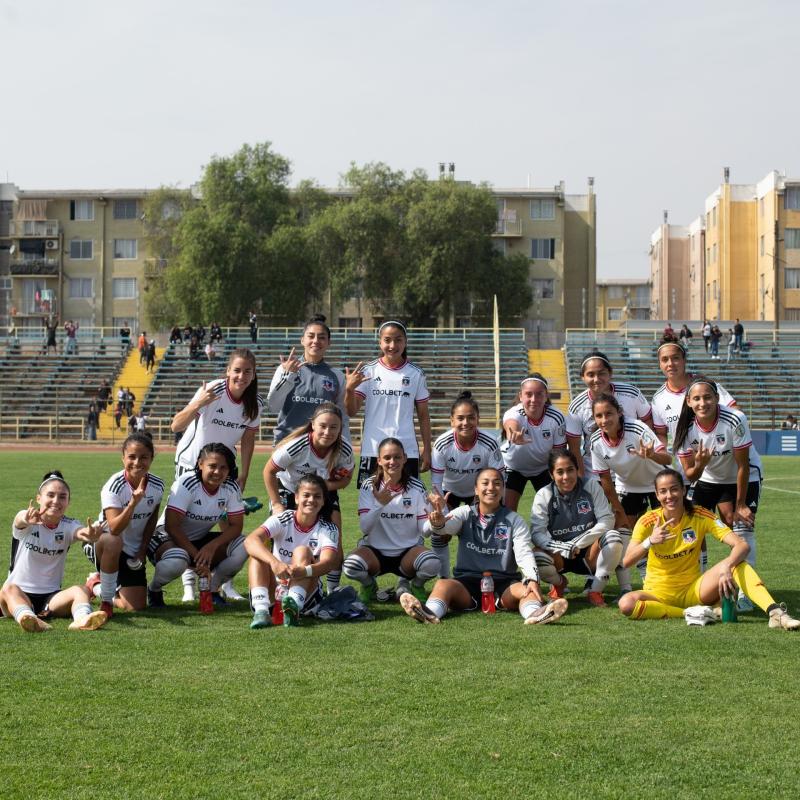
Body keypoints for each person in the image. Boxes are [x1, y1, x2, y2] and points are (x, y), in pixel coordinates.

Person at [618, 468, 799, 630]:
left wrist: (727, 566)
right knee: (626, 604)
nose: (669, 496)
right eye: (663, 491)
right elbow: (626, 561)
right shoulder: (648, 521)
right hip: (656, 594)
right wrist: (650, 541)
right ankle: (689, 612)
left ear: (683, 490)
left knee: (739, 565)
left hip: (694, 591)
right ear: (656, 495)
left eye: (674, 489)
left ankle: (776, 614)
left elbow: (741, 545)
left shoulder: (700, 515)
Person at [400, 467, 567, 625]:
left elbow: (523, 552)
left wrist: (532, 578)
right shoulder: (464, 513)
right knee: (443, 585)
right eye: (485, 483)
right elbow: (447, 526)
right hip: (466, 584)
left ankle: (536, 615)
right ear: (476, 489)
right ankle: (430, 613)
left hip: (504, 583)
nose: (491, 488)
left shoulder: (514, 520)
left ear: (502, 490)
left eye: (497, 483)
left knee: (527, 590)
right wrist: (438, 523)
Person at [171, 348, 262, 601]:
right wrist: (198, 403)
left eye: (247, 371)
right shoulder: (213, 390)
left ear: (254, 375)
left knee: (229, 523)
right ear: (227, 371)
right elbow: (176, 425)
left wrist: (243, 473)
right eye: (236, 370)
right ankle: (189, 583)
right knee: (187, 521)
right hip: (191, 465)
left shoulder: (255, 404)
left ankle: (225, 583)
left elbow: (248, 440)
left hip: (225, 467)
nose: (241, 376)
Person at [267, 315, 350, 590]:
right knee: (280, 530)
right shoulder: (287, 368)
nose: (316, 341)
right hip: (291, 455)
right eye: (311, 336)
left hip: (323, 455)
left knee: (331, 528)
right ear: (303, 339)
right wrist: (287, 377)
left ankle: (332, 589)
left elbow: (340, 415)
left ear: (328, 343)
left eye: (322, 337)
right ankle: (274, 586)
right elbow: (273, 404)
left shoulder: (335, 376)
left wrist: (340, 448)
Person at [673, 378, 764, 612]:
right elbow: (691, 475)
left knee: (742, 528)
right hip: (708, 479)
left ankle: (745, 594)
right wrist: (701, 463)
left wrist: (741, 504)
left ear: (716, 398)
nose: (703, 402)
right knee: (693, 531)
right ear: (689, 401)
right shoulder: (685, 429)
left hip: (743, 477)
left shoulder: (735, 418)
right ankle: (699, 586)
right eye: (697, 398)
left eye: (707, 397)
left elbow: (743, 465)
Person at [263, 402, 354, 593]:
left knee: (335, 536)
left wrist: (323, 486)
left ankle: (332, 590)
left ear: (341, 429)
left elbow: (346, 481)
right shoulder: (296, 446)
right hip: (288, 489)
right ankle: (278, 589)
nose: (327, 431)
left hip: (323, 492)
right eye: (323, 425)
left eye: (333, 427)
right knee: (281, 537)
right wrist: (277, 503)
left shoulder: (344, 449)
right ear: (313, 424)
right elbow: (268, 471)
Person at [0, 471, 107, 632]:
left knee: (82, 590)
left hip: (51, 598)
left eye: (62, 497)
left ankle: (82, 619)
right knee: (8, 589)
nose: (56, 501)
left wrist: (90, 534)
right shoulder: (28, 519)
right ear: (39, 499)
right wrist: (25, 518)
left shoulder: (68, 525)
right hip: (18, 595)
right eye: (50, 495)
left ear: (68, 502)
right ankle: (27, 618)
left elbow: (80, 532)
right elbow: (19, 519)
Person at [146, 443, 246, 608]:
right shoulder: (187, 483)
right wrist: (197, 557)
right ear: (200, 464)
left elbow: (236, 526)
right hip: (166, 537)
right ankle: (154, 589)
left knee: (244, 545)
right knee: (177, 561)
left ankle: (212, 590)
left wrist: (212, 546)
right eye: (212, 466)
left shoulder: (231, 487)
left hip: (199, 541)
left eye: (223, 467)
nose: (217, 472)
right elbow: (172, 526)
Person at [589, 393, 672, 592]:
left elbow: (667, 460)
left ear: (619, 412)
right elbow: (606, 480)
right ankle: (626, 587)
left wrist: (652, 455)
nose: (604, 420)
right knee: (623, 537)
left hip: (657, 485)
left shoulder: (636, 428)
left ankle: (666, 581)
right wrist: (619, 510)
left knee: (668, 534)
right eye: (598, 416)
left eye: (608, 414)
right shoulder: (595, 442)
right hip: (628, 488)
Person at [342, 437, 440, 604]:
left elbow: (424, 531)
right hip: (375, 552)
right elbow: (365, 528)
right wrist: (379, 504)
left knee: (432, 563)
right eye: (387, 457)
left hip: (407, 552)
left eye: (397, 457)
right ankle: (369, 585)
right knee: (350, 566)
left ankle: (415, 585)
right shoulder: (369, 485)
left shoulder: (417, 487)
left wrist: (434, 523)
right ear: (379, 460)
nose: (392, 461)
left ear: (405, 458)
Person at [84, 433, 165, 614]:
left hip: (133, 549)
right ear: (123, 458)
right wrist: (132, 504)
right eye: (132, 457)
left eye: (144, 457)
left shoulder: (158, 485)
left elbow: (152, 519)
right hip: (103, 544)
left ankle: (95, 584)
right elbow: (114, 528)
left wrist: (143, 549)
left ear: (152, 458)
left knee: (135, 606)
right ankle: (106, 600)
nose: (137, 462)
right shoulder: (113, 486)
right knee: (114, 541)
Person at [245, 474, 340, 628]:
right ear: (296, 498)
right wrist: (274, 563)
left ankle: (293, 606)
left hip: (306, 588)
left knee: (302, 551)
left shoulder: (328, 528)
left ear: (323, 501)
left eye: (317, 496)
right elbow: (250, 540)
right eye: (306, 495)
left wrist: (303, 571)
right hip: (275, 586)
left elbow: (329, 563)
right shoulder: (284, 518)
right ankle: (261, 611)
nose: (311, 500)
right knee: (257, 554)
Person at [345, 320, 432, 486]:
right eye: (387, 340)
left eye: (398, 340)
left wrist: (427, 450)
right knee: (369, 502)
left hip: (406, 450)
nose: (392, 345)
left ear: (405, 342)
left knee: (408, 502)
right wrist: (349, 390)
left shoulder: (416, 374)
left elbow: (423, 415)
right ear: (380, 342)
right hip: (373, 449)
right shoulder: (368, 371)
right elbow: (351, 411)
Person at [531, 450, 622, 607]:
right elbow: (537, 533)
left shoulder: (591, 486)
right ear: (551, 474)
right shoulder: (544, 495)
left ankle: (595, 590)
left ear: (577, 469)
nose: (566, 477)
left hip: (589, 554)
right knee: (536, 556)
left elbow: (607, 520)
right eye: (560, 472)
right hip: (560, 556)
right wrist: (562, 547)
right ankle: (559, 583)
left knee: (613, 538)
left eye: (570, 470)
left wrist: (577, 543)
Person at [429, 391, 505, 577]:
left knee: (481, 534)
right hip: (449, 493)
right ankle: (445, 579)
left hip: (478, 494)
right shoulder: (442, 444)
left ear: (478, 419)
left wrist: (488, 504)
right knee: (439, 535)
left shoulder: (489, 443)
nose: (466, 423)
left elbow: (499, 478)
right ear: (452, 421)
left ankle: (482, 576)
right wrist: (443, 512)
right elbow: (436, 482)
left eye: (471, 418)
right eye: (460, 418)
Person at [566, 350, 653, 476]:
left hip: (633, 469)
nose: (596, 379)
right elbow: (574, 449)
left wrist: (646, 446)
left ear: (610, 373)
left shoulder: (631, 393)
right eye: (590, 374)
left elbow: (648, 420)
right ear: (582, 377)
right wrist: (582, 480)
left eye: (601, 373)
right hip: (596, 473)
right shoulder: (576, 407)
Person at [500, 374, 567, 512]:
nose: (533, 399)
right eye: (528, 394)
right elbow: (511, 424)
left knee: (554, 510)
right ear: (520, 396)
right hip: (513, 467)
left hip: (543, 468)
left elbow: (558, 452)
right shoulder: (513, 412)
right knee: (506, 512)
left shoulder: (556, 417)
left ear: (546, 396)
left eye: (539, 394)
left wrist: (557, 476)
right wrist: (514, 434)